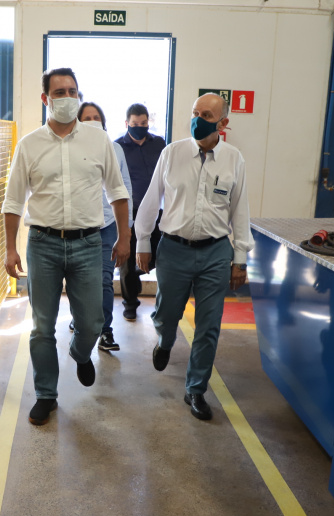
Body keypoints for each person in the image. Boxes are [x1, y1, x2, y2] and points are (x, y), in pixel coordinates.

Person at [3, 68, 130, 426]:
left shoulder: (98, 140)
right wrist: (10, 249)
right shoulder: (29, 145)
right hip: (42, 244)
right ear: (46, 99)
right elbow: (13, 202)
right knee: (42, 326)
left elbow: (118, 192)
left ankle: (80, 351)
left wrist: (125, 237)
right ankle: (46, 394)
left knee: (92, 321)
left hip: (89, 243)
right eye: (59, 92)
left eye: (73, 91)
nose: (68, 98)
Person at [134, 93, 252, 421]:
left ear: (223, 123)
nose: (198, 118)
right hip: (173, 249)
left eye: (207, 114)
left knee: (209, 324)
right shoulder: (172, 154)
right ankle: (165, 339)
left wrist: (239, 257)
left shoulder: (233, 160)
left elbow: (240, 209)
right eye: (195, 112)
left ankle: (195, 388)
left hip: (216, 252)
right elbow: (151, 197)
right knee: (166, 313)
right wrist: (143, 240)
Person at [72, 101, 134, 352]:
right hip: (78, 224)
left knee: (104, 280)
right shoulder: (69, 149)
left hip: (107, 225)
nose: (92, 121)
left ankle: (105, 331)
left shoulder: (115, 149)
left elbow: (125, 187)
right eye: (86, 118)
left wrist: (125, 230)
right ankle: (80, 322)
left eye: (96, 117)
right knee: (78, 280)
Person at [115, 103, 166, 321]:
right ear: (127, 124)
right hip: (130, 210)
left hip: (157, 209)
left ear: (148, 122)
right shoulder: (117, 147)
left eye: (143, 123)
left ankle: (162, 301)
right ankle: (130, 304)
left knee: (162, 256)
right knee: (127, 260)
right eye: (135, 124)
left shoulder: (159, 144)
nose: (139, 127)